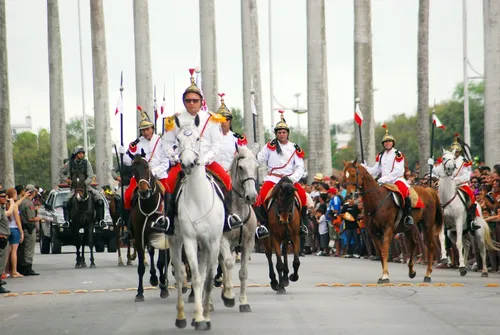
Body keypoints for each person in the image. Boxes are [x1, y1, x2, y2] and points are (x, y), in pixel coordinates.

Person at [161, 69, 243, 233]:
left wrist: (205, 159)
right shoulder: (175, 120)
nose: (191, 103)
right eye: (188, 100)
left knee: (227, 180)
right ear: (183, 101)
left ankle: (228, 217)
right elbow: (166, 143)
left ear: (201, 101)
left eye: (195, 100)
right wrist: (175, 157)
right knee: (169, 183)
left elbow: (217, 144)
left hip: (206, 162)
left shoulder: (211, 119)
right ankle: (168, 220)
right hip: (184, 161)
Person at [117, 106, 171, 243]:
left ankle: (170, 223)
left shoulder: (161, 141)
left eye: (148, 129)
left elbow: (165, 163)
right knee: (128, 196)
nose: (146, 132)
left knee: (170, 194)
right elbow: (129, 163)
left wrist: (152, 174)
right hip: (141, 178)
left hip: (159, 175)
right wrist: (125, 154)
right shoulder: (137, 144)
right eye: (143, 130)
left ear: (152, 128)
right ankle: (129, 227)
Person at [254, 110, 309, 239]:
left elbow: (300, 167)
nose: (282, 134)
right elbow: (259, 159)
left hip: (290, 179)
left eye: (284, 132)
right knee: (261, 197)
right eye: (279, 132)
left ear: (288, 133)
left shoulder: (295, 148)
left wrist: (293, 178)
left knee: (302, 196)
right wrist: (254, 153)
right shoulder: (269, 146)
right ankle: (263, 225)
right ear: (276, 134)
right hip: (273, 179)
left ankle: (302, 225)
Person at [362, 126, 414, 226]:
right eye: (386, 142)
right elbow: (375, 170)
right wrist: (365, 168)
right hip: (383, 181)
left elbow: (397, 171)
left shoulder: (398, 154)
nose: (388, 143)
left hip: (396, 180)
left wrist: (384, 179)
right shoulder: (380, 155)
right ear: (383, 144)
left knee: (404, 191)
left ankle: (408, 216)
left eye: (389, 141)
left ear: (393, 142)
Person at [59, 146, 104, 226]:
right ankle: (67, 221)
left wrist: (84, 184)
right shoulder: (70, 163)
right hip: (74, 188)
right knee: (65, 203)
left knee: (100, 199)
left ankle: (101, 220)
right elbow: (61, 172)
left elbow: (91, 176)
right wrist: (66, 179)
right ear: (76, 154)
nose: (82, 154)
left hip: (86, 187)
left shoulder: (87, 163)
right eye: (80, 153)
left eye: (83, 153)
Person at [445, 134, 479, 231]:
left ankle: (472, 220)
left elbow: (466, 176)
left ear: (460, 152)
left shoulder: (464, 161)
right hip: (448, 185)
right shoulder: (447, 160)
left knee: (470, 196)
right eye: (453, 151)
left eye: (457, 152)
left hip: (461, 185)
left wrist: (454, 181)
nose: (455, 153)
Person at [214, 93, 249, 171]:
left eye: (226, 119)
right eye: (221, 120)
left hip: (231, 175)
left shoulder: (237, 138)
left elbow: (245, 157)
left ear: (230, 121)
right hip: (214, 174)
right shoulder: (211, 137)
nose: (223, 122)